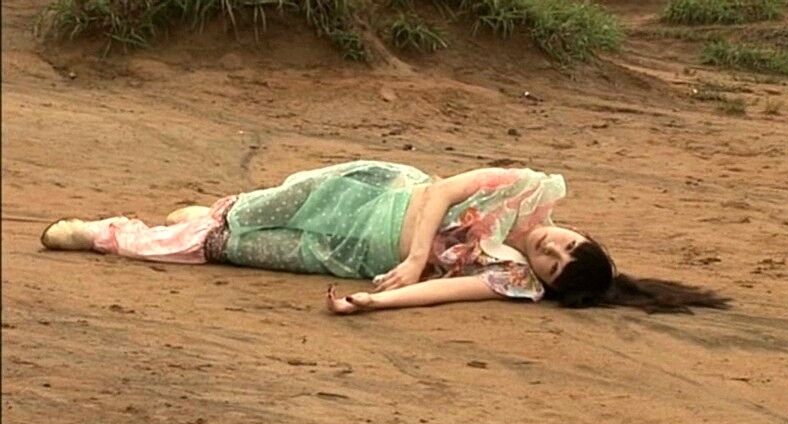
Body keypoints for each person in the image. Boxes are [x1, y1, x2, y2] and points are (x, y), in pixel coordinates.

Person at [40, 160, 730, 315]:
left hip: (351, 255)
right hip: (374, 192)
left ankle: (108, 235)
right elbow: (441, 190)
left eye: (552, 264)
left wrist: (374, 301)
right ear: (582, 232)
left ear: (545, 284)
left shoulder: (514, 278)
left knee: (229, 248)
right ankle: (209, 211)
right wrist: (416, 254)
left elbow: (445, 293)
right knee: (254, 209)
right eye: (567, 244)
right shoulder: (527, 189)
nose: (550, 248)